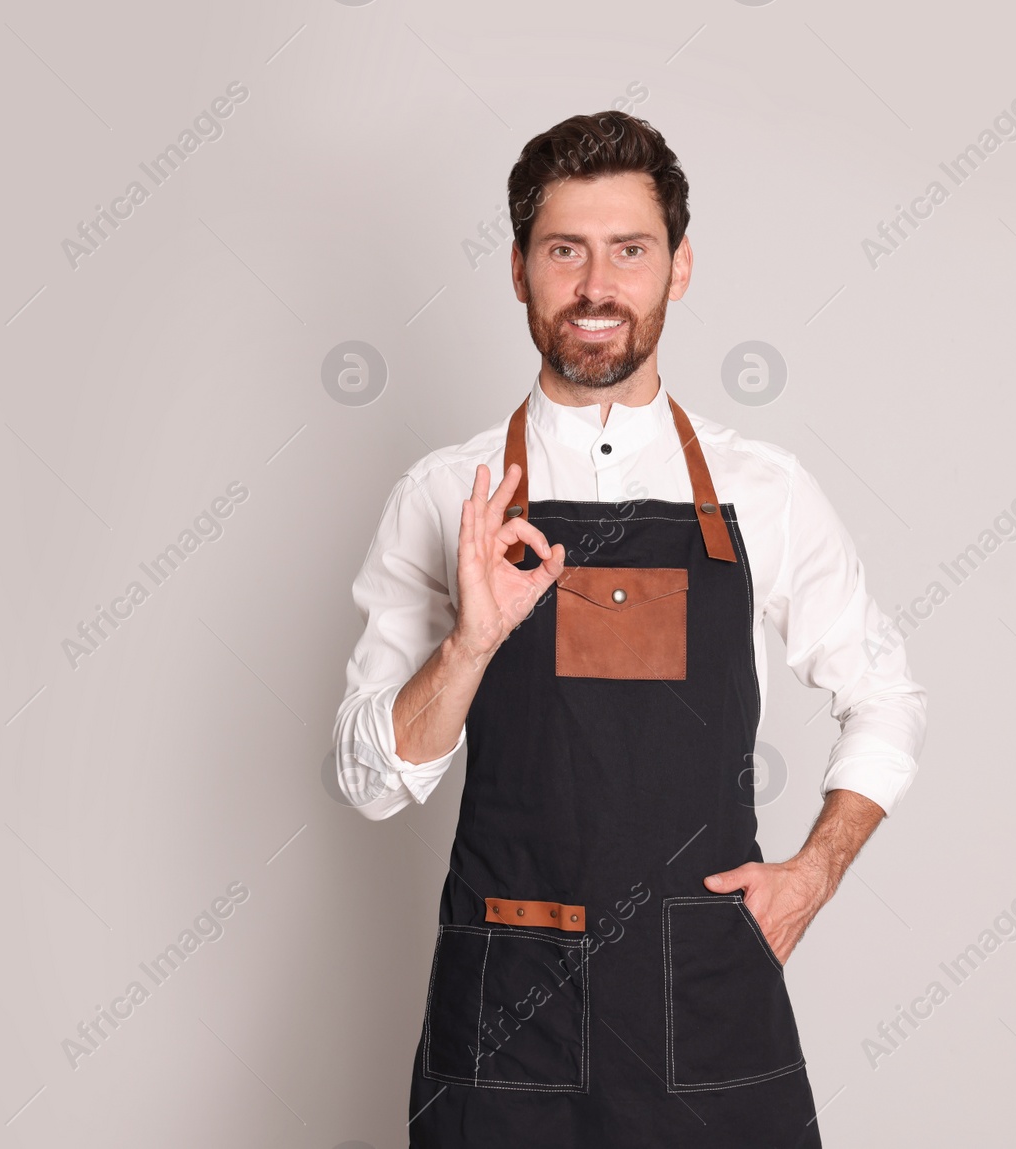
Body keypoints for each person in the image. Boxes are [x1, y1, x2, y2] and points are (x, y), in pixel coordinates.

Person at [333, 110, 928, 1149]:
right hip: (507, 1003)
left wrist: (814, 871)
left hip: (702, 994)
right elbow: (371, 785)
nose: (596, 286)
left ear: (678, 268)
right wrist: (470, 644)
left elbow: (886, 696)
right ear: (519, 271)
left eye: (630, 252)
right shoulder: (446, 496)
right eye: (564, 251)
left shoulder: (763, 492)